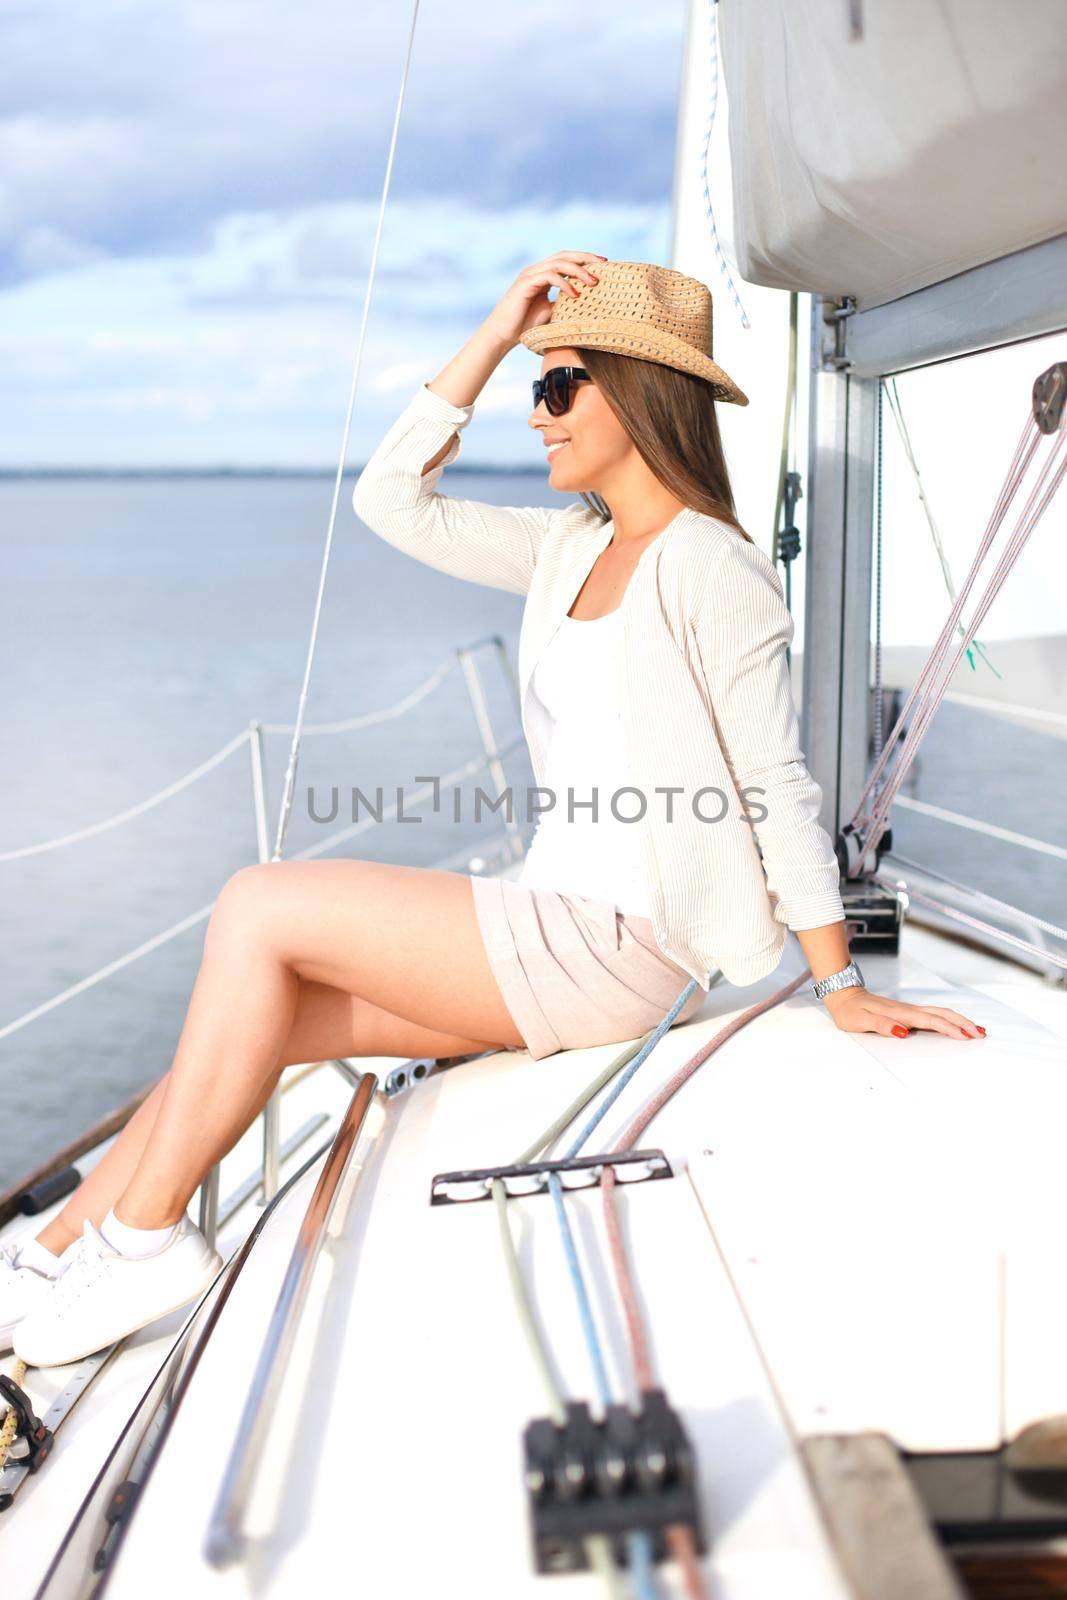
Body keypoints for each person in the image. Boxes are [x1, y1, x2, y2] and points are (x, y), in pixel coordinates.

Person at [1, 253, 984, 1369]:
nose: (537, 413)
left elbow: (772, 783)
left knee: (258, 905)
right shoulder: (568, 547)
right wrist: (497, 325)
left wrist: (839, 982)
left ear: (640, 391)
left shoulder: (712, 568)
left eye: (560, 385)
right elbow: (388, 499)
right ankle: (58, 1246)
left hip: (622, 943)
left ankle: (140, 1238)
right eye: (534, 386)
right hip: (549, 916)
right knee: (252, 1021)